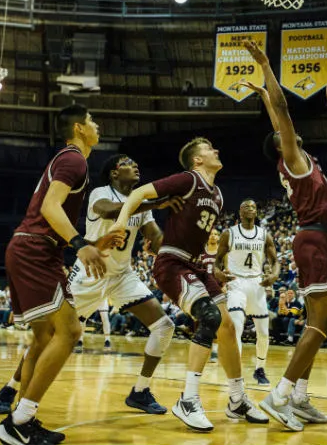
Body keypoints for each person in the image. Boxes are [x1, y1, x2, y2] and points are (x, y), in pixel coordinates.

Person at [0, 155, 181, 418]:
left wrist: (170, 243)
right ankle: (10, 389)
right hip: (91, 272)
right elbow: (110, 211)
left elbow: (155, 236)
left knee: (164, 326)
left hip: (122, 275)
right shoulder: (99, 193)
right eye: (128, 162)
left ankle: (140, 391)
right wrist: (157, 201)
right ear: (114, 174)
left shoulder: (143, 203)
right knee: (47, 337)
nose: (136, 165)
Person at [111, 136, 268, 432]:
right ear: (198, 160)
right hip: (172, 263)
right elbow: (139, 194)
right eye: (210, 149)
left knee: (228, 327)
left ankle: (236, 399)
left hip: (195, 264)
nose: (217, 150)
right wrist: (121, 223)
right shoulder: (188, 178)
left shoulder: (218, 194)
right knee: (209, 318)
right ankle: (188, 400)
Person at [0, 104, 122, 445]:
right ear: (79, 128)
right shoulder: (73, 159)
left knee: (44, 338)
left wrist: (93, 242)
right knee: (69, 331)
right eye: (92, 120)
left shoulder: (69, 160)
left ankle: (21, 415)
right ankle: (19, 420)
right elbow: (50, 208)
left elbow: (51, 214)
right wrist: (80, 243)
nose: (97, 125)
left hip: (32, 248)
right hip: (36, 250)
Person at [241, 39, 327, 431]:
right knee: (319, 321)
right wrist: (266, 66)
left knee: (320, 320)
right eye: (284, 135)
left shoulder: (300, 162)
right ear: (283, 145)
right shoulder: (295, 160)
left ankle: (299, 397)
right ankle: (280, 395)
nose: (290, 133)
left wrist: (265, 99)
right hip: (316, 240)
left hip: (319, 241)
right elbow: (284, 115)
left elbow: (277, 117)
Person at [216, 199, 279, 386]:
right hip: (236, 282)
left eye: (253, 206)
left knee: (264, 333)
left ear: (257, 212)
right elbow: (217, 262)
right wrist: (218, 273)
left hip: (257, 283)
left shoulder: (264, 235)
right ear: (240, 212)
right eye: (246, 207)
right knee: (237, 326)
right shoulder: (229, 234)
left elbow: (275, 261)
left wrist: (274, 276)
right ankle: (236, 372)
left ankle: (260, 369)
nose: (250, 209)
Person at [199, 229, 220, 363]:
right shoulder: (202, 252)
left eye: (216, 234)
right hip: (204, 289)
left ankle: (215, 351)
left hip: (218, 289)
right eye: (211, 233)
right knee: (205, 321)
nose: (213, 236)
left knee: (217, 321)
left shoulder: (222, 252)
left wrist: (224, 286)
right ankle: (205, 348)